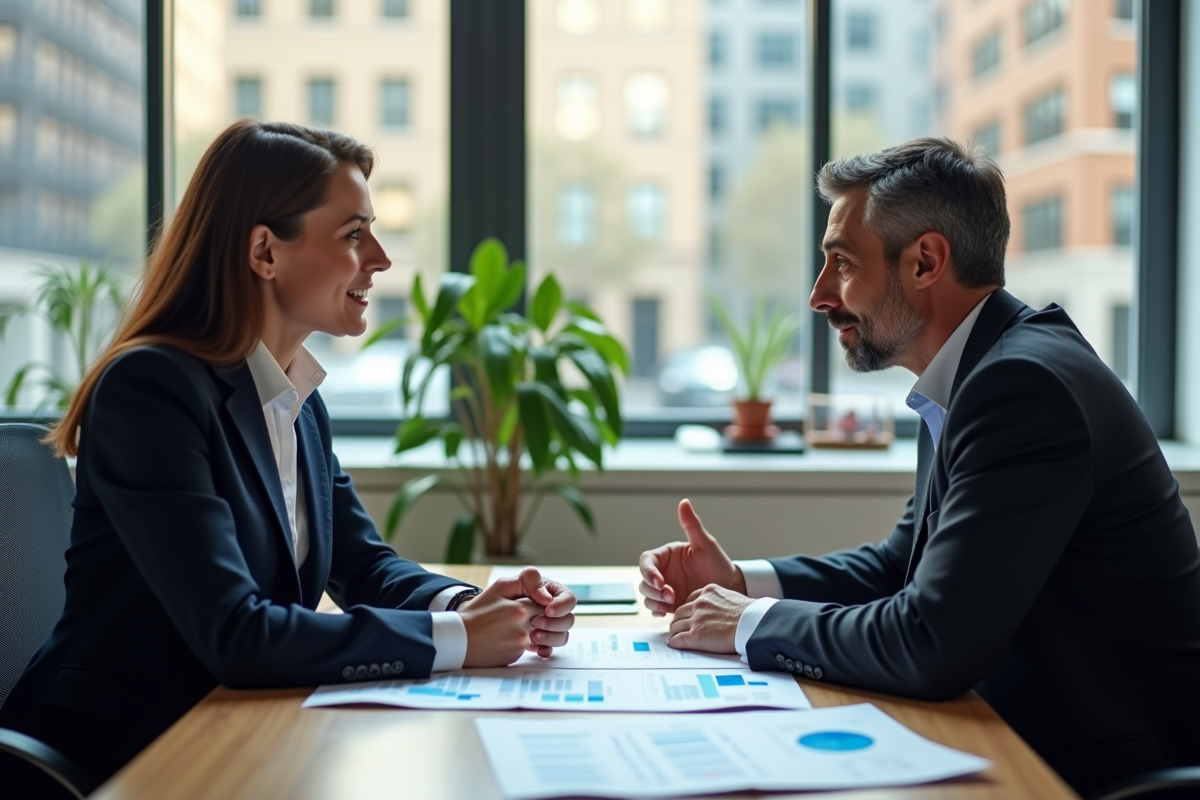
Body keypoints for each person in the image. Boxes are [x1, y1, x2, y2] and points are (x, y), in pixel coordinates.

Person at [0, 120, 575, 792]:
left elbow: (364, 565)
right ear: (265, 252)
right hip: (125, 758)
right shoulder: (150, 391)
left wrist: (469, 603)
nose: (382, 258)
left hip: (236, 734)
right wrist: (455, 640)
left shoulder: (294, 394)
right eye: (353, 234)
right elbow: (236, 635)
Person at [637, 138, 1200, 795]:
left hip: (1100, 773)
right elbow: (902, 566)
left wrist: (748, 624)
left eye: (841, 264)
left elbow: (930, 642)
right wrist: (741, 581)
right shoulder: (982, 371)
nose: (820, 296)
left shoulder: (1021, 387)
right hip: (1023, 734)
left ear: (926, 261)